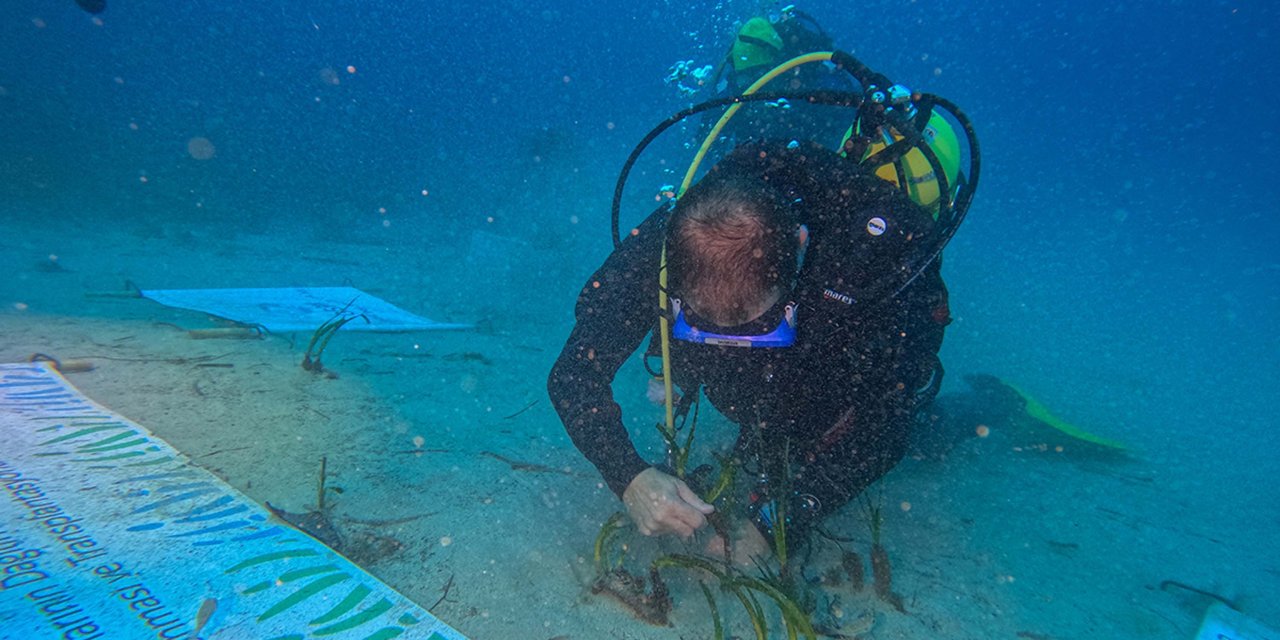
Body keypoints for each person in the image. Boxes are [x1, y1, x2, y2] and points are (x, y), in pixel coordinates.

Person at [548, 137, 952, 560]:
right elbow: (574, 375)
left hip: (833, 344)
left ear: (798, 246)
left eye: (761, 328)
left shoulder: (873, 254)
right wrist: (629, 476)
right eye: (702, 326)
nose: (737, 349)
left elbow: (887, 424)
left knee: (853, 413)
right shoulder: (657, 250)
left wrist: (787, 516)